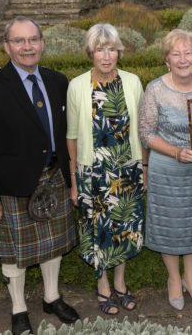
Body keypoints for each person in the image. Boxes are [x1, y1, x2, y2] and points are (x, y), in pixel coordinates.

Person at [0, 16, 79, 335]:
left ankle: (51, 297)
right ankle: (18, 309)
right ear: (7, 46)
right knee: (15, 253)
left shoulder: (58, 81)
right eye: (19, 41)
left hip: (53, 178)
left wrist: (71, 179)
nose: (27, 46)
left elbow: (65, 134)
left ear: (42, 43)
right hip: (12, 186)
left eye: (33, 39)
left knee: (53, 246)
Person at [66, 24, 147, 315]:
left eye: (111, 49)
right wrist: (74, 182)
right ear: (91, 52)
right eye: (100, 49)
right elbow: (72, 136)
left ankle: (121, 285)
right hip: (93, 173)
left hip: (126, 170)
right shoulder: (76, 86)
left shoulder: (133, 82)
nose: (106, 55)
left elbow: (143, 129)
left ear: (118, 51)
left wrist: (144, 168)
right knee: (98, 231)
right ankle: (102, 287)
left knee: (124, 229)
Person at [139, 29, 192, 310]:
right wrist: (175, 151)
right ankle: (174, 279)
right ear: (167, 60)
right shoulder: (155, 89)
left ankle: (191, 279)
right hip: (167, 168)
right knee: (171, 227)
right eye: (176, 54)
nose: (183, 59)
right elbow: (146, 133)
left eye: (188, 53)